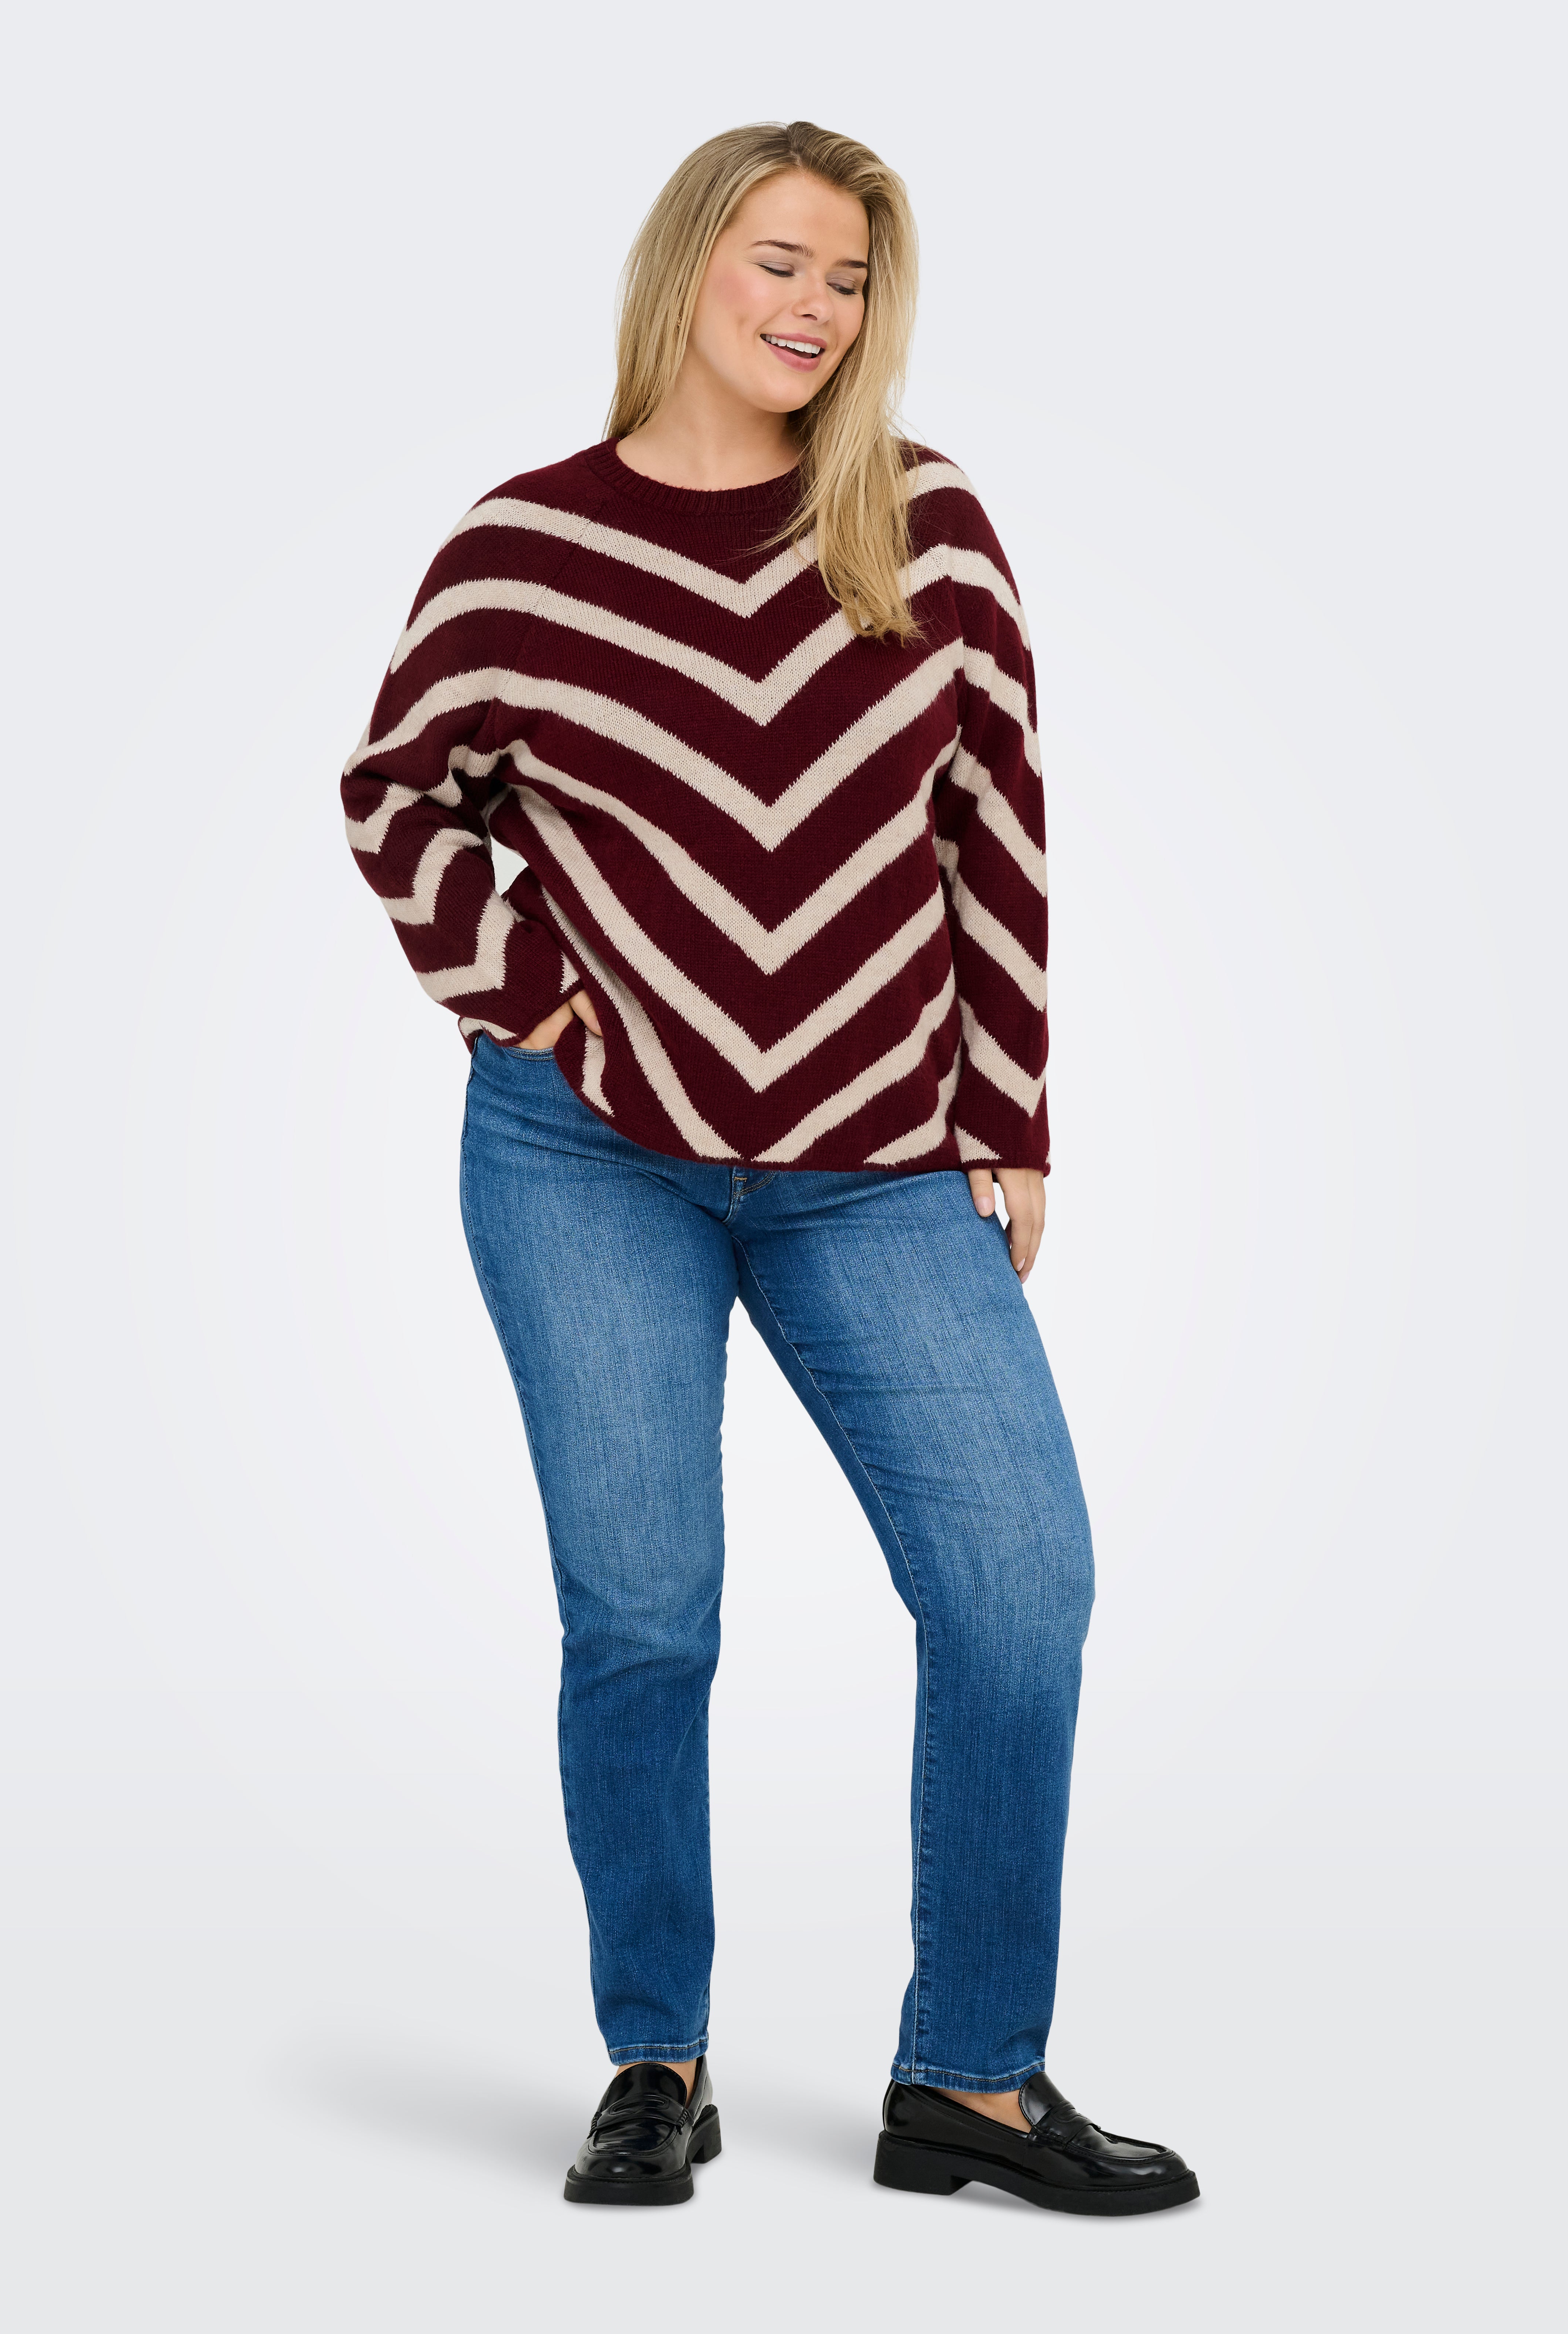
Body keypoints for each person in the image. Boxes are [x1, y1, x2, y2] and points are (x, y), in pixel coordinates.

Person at [341, 118, 1196, 2216]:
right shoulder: (526, 550)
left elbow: (998, 828)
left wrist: (1011, 1116)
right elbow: (397, 795)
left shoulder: (924, 523)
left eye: (851, 281)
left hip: (880, 1157)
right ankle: (659, 2054)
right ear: (689, 265)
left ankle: (970, 2079)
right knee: (644, 1616)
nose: (814, 309)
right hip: (586, 1157)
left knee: (1020, 1588)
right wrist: (529, 995)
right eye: (780, 261)